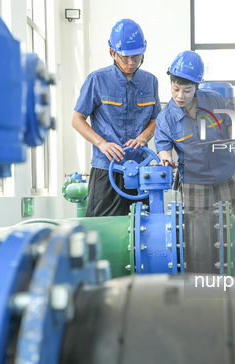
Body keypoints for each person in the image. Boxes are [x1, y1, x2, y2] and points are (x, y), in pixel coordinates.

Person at [72, 19, 160, 217]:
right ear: (112, 52)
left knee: (142, 230)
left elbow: (155, 120)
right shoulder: (97, 80)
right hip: (106, 169)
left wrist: (143, 138)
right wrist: (102, 144)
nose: (131, 63)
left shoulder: (150, 81)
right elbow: (77, 119)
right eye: (125, 58)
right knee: (99, 230)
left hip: (140, 169)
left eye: (136, 58)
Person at [154, 51, 235, 218]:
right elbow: (163, 148)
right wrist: (166, 160)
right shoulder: (165, 118)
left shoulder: (215, 100)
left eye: (187, 91)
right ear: (171, 84)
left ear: (197, 87)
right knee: (199, 234)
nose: (180, 96)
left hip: (226, 174)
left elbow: (231, 124)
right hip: (194, 182)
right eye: (176, 89)